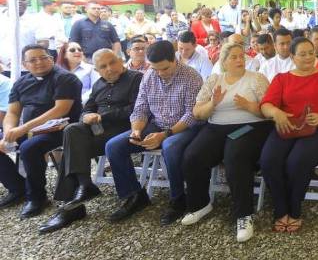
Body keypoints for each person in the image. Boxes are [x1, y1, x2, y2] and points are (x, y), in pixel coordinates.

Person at [38, 50, 143, 233]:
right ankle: (84, 185)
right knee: (72, 130)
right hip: (99, 131)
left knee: (72, 149)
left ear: (120, 60)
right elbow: (86, 109)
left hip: (126, 129)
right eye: (103, 66)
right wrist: (86, 116)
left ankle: (72, 205)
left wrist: (103, 116)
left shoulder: (136, 79)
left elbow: (138, 109)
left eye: (112, 62)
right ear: (96, 70)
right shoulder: (98, 84)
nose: (109, 68)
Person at [180, 42, 272, 242]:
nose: (240, 60)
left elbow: (269, 112)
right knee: (192, 156)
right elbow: (198, 113)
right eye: (234, 57)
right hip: (216, 126)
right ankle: (200, 204)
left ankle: (244, 215)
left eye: (242, 56)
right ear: (224, 61)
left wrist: (249, 106)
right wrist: (213, 103)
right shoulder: (214, 80)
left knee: (235, 156)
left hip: (249, 126)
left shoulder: (256, 79)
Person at [104, 40, 203, 225]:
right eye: (155, 68)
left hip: (185, 127)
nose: (160, 73)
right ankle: (135, 195)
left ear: (174, 59)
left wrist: (165, 134)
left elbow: (192, 115)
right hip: (156, 124)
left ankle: (178, 199)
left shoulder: (191, 76)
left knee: (170, 146)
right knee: (114, 146)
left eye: (164, 68)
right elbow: (140, 108)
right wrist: (136, 130)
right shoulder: (149, 75)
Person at [259, 37, 318, 233]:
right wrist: (276, 113)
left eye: (310, 53)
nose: (308, 57)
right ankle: (280, 208)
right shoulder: (282, 79)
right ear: (292, 57)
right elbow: (266, 105)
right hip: (287, 126)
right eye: (302, 54)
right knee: (268, 160)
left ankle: (294, 208)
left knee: (297, 161)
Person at [0, 45, 83, 217]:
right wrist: (8, 132)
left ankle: (36, 197)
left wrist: (23, 128)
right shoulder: (21, 83)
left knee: (29, 147)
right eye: (33, 60)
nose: (39, 62)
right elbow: (13, 112)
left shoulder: (65, 78)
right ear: (25, 65)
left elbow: (60, 109)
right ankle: (17, 188)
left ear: (51, 59)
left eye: (44, 57)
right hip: (30, 130)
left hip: (62, 129)